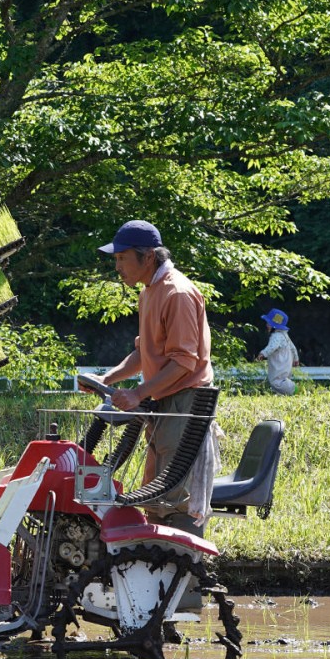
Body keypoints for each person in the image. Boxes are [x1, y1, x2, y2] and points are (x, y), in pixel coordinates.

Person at [90, 219, 218, 531]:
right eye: (116, 259)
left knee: (174, 493)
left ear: (148, 257)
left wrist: (138, 393)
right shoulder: (149, 292)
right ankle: (153, 567)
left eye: (122, 259)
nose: (117, 267)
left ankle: (185, 570)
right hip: (164, 402)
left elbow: (184, 362)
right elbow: (143, 353)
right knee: (155, 491)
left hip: (186, 401)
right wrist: (108, 379)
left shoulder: (177, 293)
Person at [255, 308, 299, 395]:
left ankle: (294, 389)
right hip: (286, 360)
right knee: (281, 380)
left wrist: (263, 353)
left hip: (280, 362)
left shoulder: (276, 336)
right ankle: (283, 394)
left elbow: (272, 347)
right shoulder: (284, 335)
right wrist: (296, 358)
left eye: (269, 323)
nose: (267, 325)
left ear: (274, 325)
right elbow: (293, 347)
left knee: (276, 381)